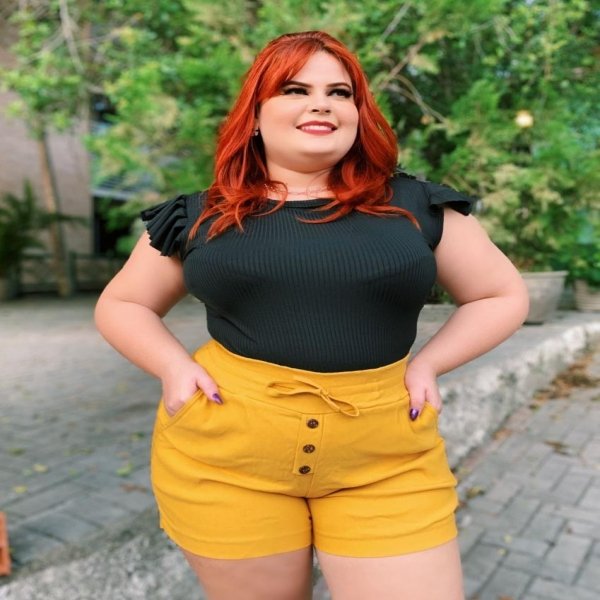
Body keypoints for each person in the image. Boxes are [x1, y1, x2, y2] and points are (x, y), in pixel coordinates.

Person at [95, 30, 529, 600]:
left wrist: (429, 364)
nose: (321, 104)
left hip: (387, 462)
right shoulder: (201, 215)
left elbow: (500, 294)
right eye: (295, 90)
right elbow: (123, 304)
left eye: (339, 92)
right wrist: (173, 368)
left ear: (358, 113)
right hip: (224, 463)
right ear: (255, 115)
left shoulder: (416, 207)